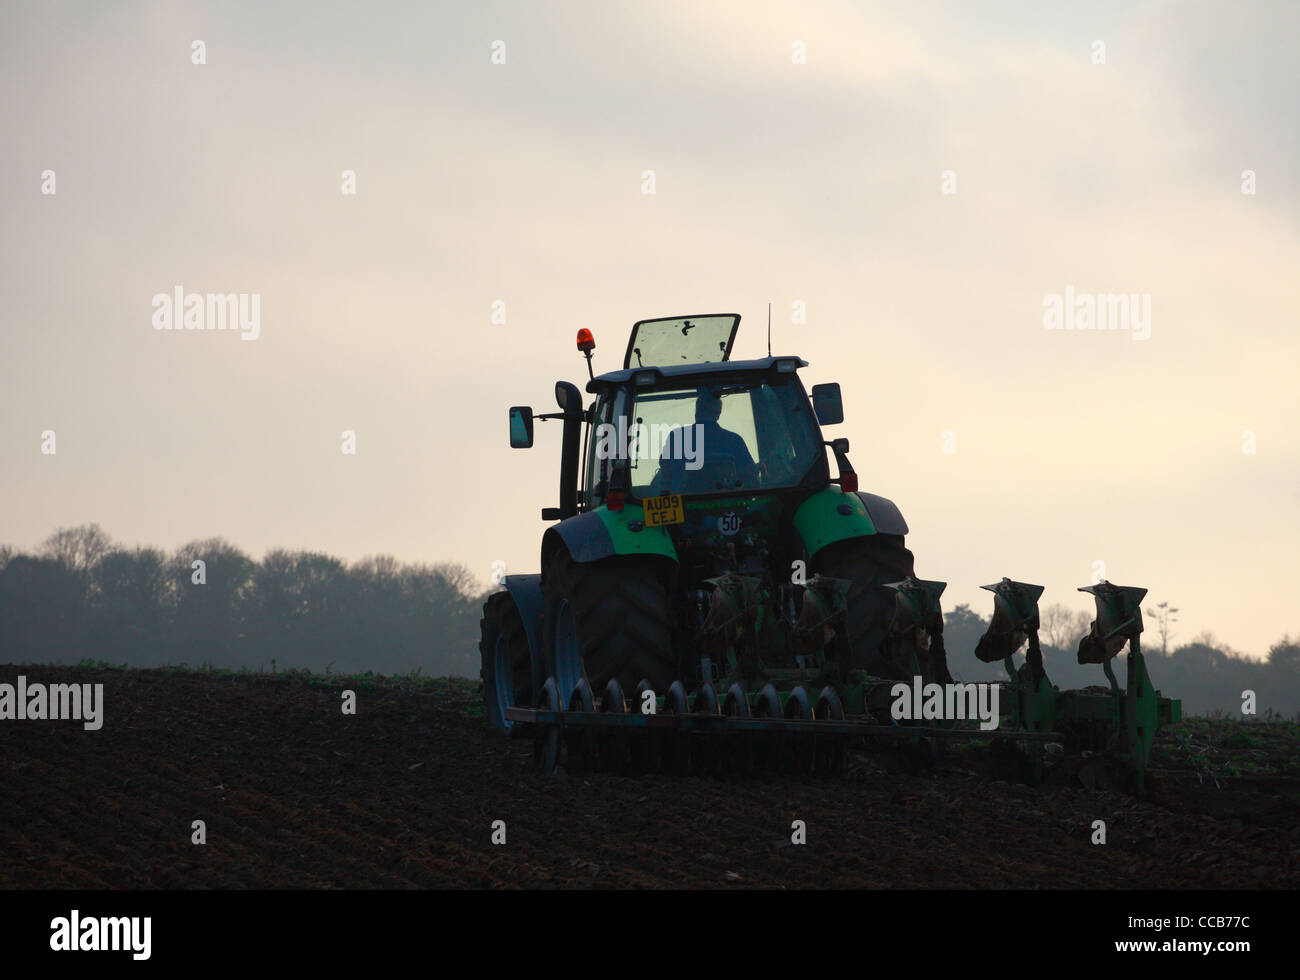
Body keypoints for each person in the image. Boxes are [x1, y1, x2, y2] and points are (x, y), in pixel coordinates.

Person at [655, 388, 757, 492]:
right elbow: (749, 474)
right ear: (718, 414)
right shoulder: (735, 440)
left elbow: (665, 472)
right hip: (727, 502)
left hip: (682, 504)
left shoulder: (676, 437)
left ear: (696, 412)